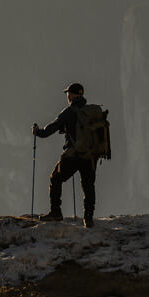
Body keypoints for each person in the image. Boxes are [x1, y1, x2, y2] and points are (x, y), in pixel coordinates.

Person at [32, 82, 97, 227]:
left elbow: (50, 130)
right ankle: (88, 218)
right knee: (88, 186)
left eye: (68, 93)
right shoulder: (90, 111)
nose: (67, 96)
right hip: (90, 156)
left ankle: (56, 213)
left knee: (55, 179)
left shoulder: (69, 112)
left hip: (72, 155)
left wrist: (37, 131)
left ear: (72, 95)